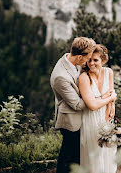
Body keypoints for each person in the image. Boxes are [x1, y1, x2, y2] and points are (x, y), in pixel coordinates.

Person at [50, 37, 116, 173]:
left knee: (81, 155)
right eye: (88, 58)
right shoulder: (60, 76)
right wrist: (104, 98)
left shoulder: (76, 61)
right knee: (68, 157)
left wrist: (112, 103)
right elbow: (78, 105)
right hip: (71, 119)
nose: (89, 62)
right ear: (80, 57)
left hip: (88, 116)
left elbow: (105, 82)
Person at [79, 44, 117, 173]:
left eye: (95, 60)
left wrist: (111, 106)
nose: (91, 63)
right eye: (89, 59)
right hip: (91, 119)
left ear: (103, 60)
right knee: (94, 155)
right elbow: (92, 105)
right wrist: (110, 99)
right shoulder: (84, 78)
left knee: (108, 152)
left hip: (106, 117)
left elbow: (111, 93)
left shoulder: (109, 72)